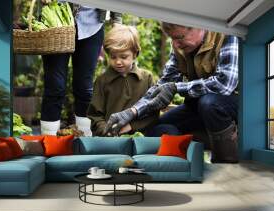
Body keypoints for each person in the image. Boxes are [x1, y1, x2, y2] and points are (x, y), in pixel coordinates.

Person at [104, 23, 239, 163]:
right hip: (198, 107)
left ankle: (226, 161)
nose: (175, 44)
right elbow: (163, 85)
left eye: (180, 37)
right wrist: (132, 112)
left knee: (209, 103)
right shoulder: (180, 46)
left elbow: (225, 84)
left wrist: (177, 87)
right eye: (172, 38)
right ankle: (182, 163)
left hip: (235, 108)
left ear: (199, 26)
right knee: (156, 127)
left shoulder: (225, 35)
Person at [40, 0, 122, 136]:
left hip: (92, 25)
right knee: (55, 87)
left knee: (84, 87)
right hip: (54, 23)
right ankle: (49, 141)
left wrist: (117, 21)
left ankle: (85, 141)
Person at [87, 25, 158, 136]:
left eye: (123, 57)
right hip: (110, 141)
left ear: (135, 54)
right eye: (113, 57)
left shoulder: (147, 78)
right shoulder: (102, 81)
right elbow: (95, 115)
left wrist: (131, 126)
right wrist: (106, 131)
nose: (118, 62)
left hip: (142, 139)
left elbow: (153, 112)